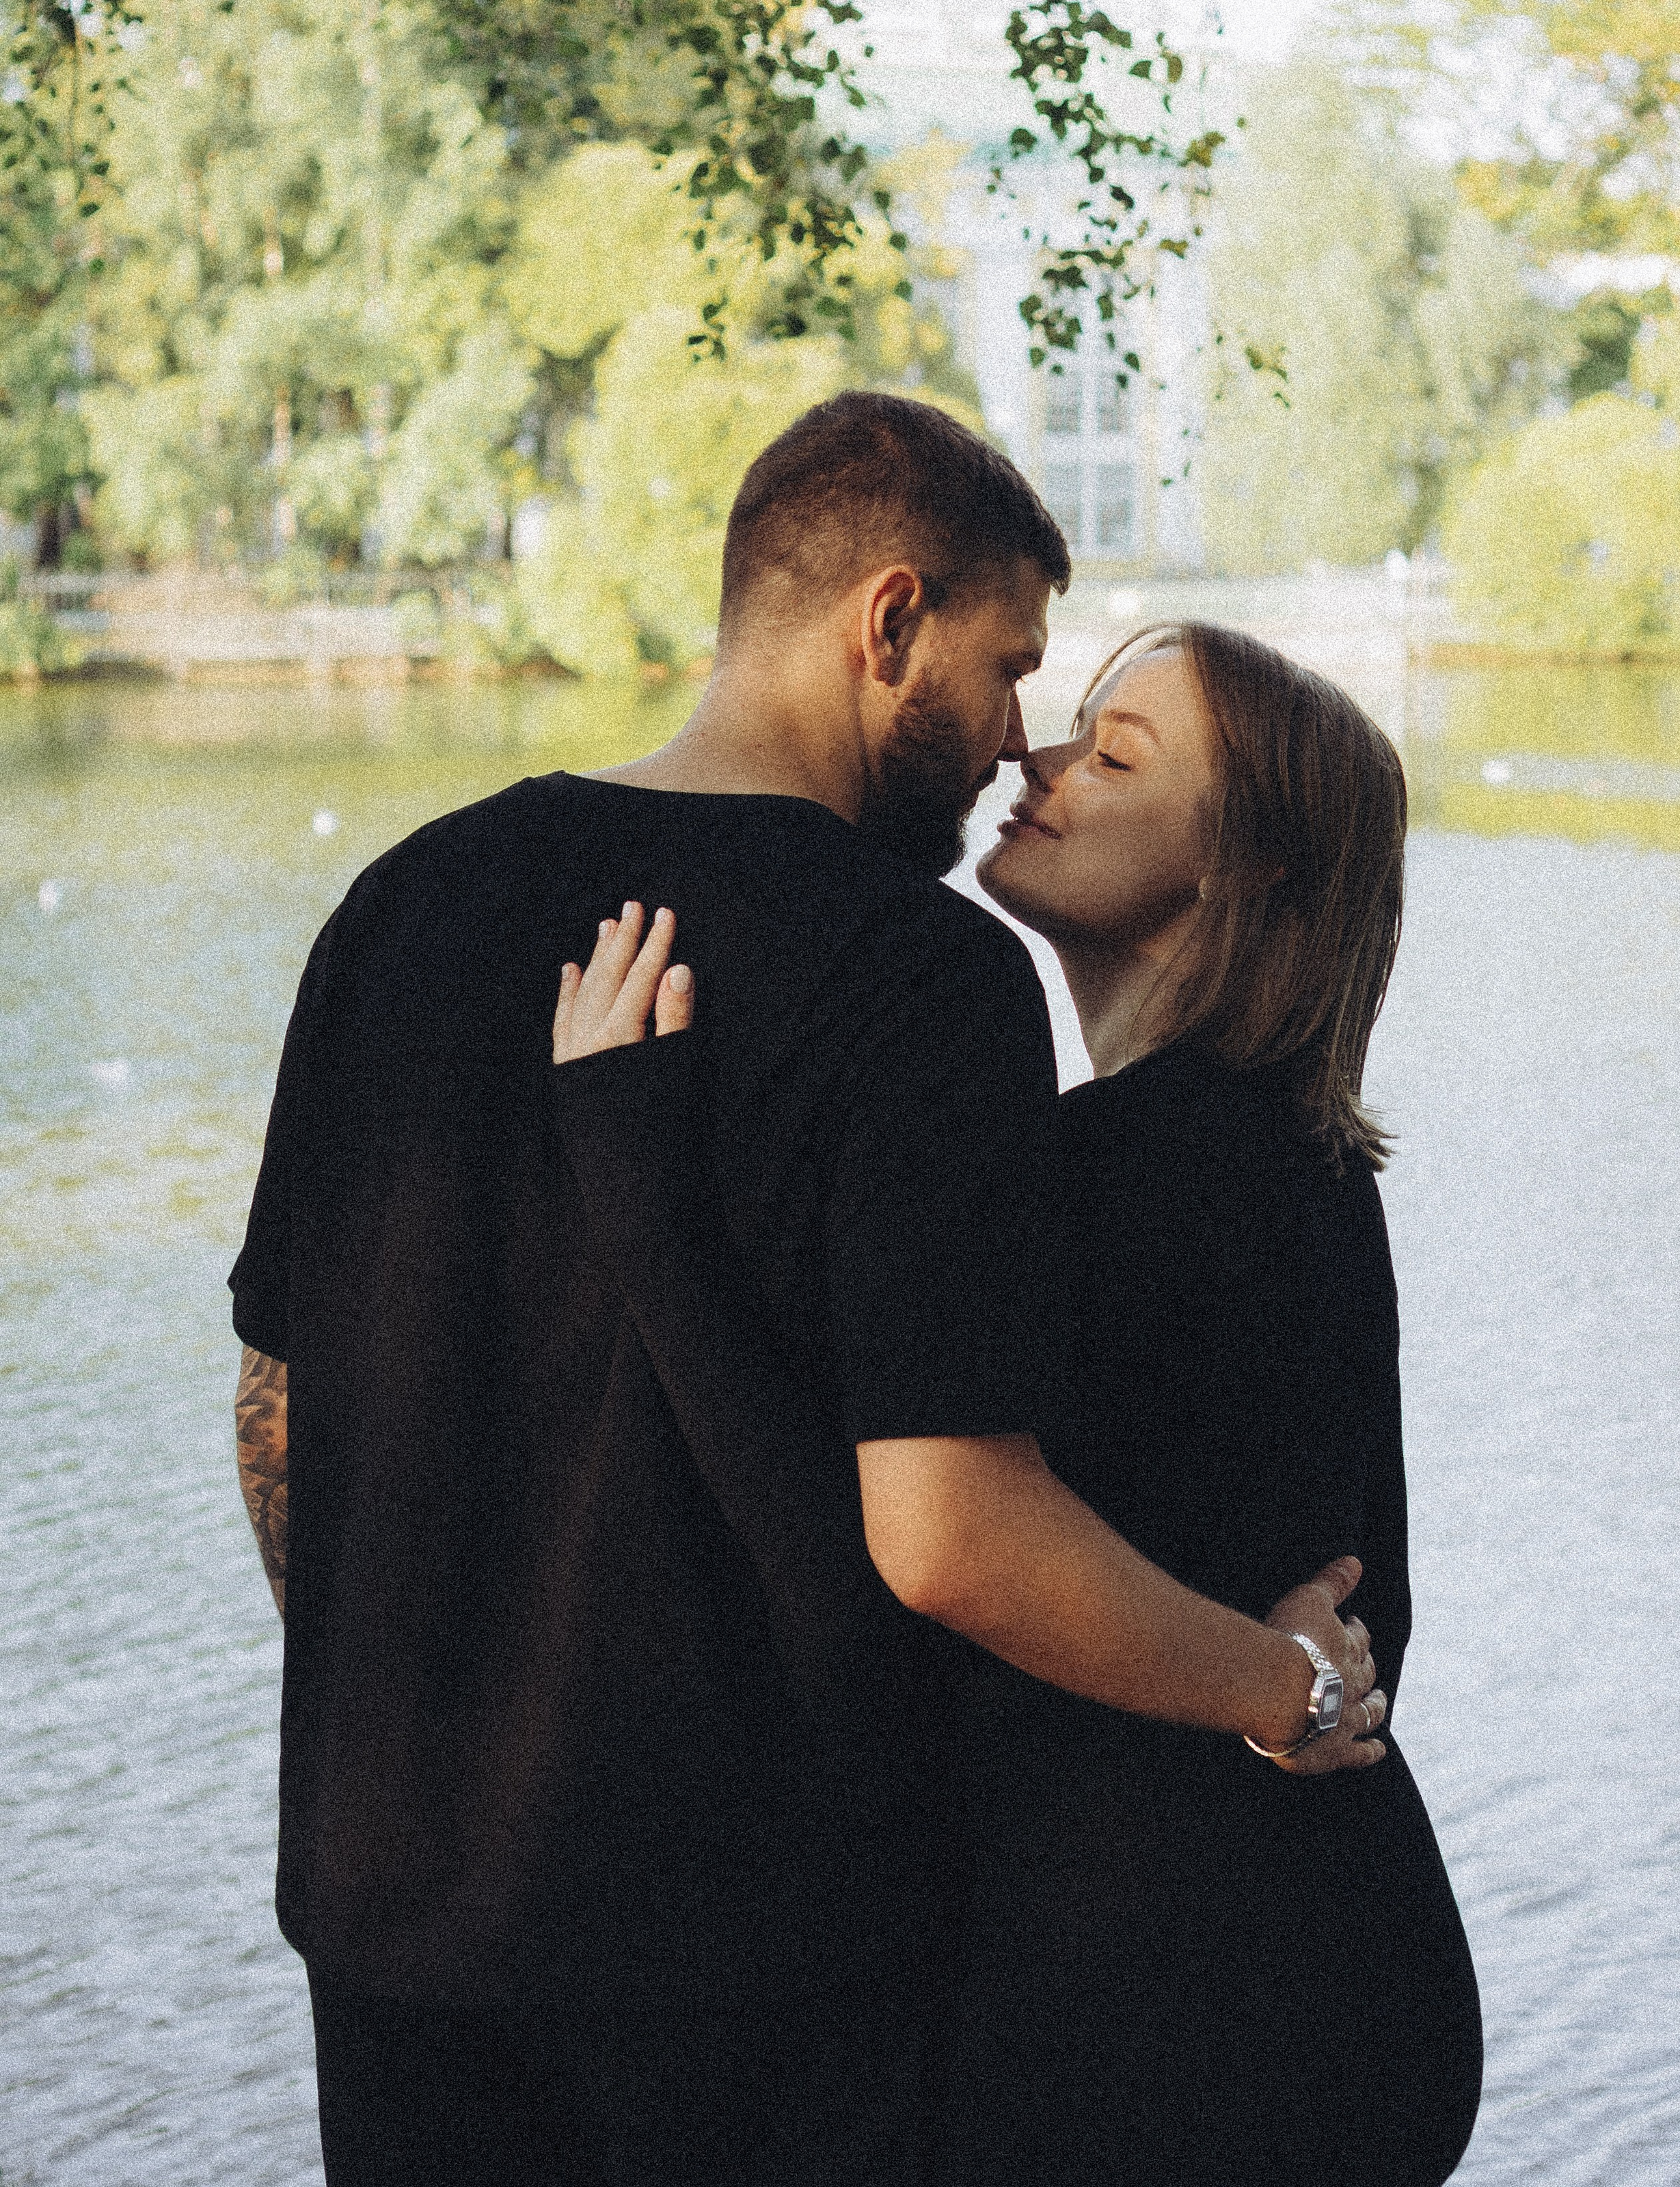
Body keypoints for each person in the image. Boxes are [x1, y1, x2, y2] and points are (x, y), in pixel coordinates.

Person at [231, 394, 1390, 2187]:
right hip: (755, 1960)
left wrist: (427, 1717)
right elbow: (947, 1531)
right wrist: (1280, 1683)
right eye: (1011, 671)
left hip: (394, 1925)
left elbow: (282, 1419)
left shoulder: (401, 906)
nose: (1017, 742)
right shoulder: (922, 980)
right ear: (889, 623)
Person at [557, 621, 1483, 2186]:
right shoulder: (1295, 1161)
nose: (1033, 761)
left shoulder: (1120, 1174)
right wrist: (1298, 1691)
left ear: (1241, 874)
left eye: (1113, 757)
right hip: (1314, 1959)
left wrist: (635, 1185)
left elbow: (862, 1537)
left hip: (1183, 2025)